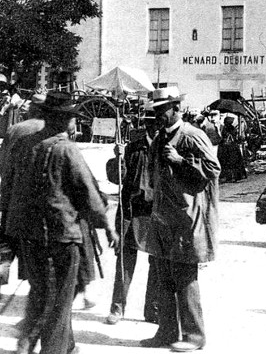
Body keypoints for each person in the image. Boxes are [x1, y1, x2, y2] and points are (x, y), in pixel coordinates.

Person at [3, 92, 117, 354]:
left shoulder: (24, 145)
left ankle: (62, 347)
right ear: (64, 120)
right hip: (60, 238)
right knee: (58, 304)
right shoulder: (66, 149)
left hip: (29, 237)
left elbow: (8, 187)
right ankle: (50, 349)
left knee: (41, 294)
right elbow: (88, 192)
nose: (74, 124)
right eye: (72, 118)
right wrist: (107, 226)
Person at [143, 86, 220, 352]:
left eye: (163, 110)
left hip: (187, 219)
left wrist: (181, 161)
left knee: (185, 278)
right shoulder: (158, 138)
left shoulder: (192, 136)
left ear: (177, 108)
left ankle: (194, 337)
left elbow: (213, 168)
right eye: (156, 111)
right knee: (162, 277)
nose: (159, 115)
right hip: (163, 218)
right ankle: (166, 333)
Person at [0, 93, 46, 300]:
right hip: (37, 199)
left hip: (12, 195)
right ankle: (36, 290)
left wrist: (9, 184)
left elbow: (1, 161)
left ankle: (1, 273)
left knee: (8, 238)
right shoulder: (49, 130)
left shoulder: (15, 129)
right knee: (34, 244)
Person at [105, 122, 159, 326]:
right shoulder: (134, 148)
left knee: (158, 264)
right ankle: (117, 307)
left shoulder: (168, 147)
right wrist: (118, 159)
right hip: (132, 212)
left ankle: (153, 309)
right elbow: (117, 178)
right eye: (151, 122)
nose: (155, 128)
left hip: (157, 213)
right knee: (124, 262)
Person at [218, 115, 245, 183]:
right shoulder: (233, 128)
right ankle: (236, 176)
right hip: (233, 147)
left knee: (227, 163)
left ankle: (229, 177)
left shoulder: (225, 129)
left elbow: (222, 137)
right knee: (235, 163)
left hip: (227, 148)